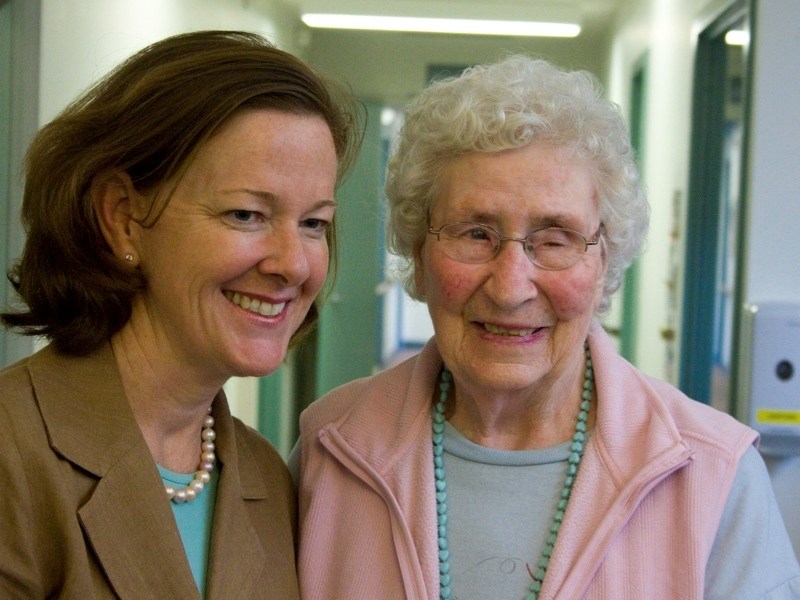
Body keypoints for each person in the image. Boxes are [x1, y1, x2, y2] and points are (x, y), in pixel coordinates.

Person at [291, 55, 800, 599]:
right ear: (419, 252)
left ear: (605, 259)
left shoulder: (716, 474)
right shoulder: (332, 447)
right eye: (475, 233)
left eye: (555, 239)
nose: (511, 287)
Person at [0, 30, 362, 599]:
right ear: (122, 217)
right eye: (246, 214)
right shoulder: (12, 449)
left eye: (314, 223)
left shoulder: (267, 475)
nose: (293, 264)